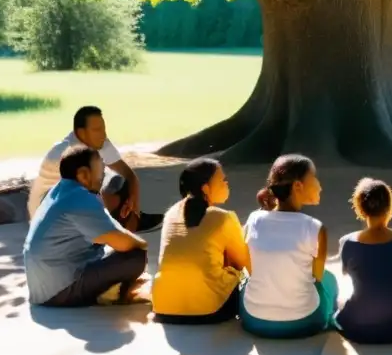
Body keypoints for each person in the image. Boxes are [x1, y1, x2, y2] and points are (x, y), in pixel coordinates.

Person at [23, 144, 148, 307]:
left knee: (112, 248)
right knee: (136, 256)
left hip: (42, 289)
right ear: (83, 175)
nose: (103, 175)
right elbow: (122, 242)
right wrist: (142, 245)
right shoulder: (80, 198)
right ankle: (110, 292)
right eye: (100, 170)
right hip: (61, 292)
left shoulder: (59, 191)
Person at [238, 155, 339, 339]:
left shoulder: (253, 220)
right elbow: (316, 277)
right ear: (298, 185)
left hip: (254, 320)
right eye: (314, 177)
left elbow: (251, 269)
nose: (320, 185)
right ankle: (328, 315)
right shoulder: (315, 228)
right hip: (305, 322)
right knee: (329, 280)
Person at [27, 105, 162, 232]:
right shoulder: (69, 152)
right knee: (111, 193)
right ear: (81, 133)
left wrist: (134, 200)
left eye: (103, 129)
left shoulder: (99, 142)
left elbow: (128, 174)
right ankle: (129, 224)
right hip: (48, 215)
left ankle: (132, 218)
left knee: (123, 186)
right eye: (97, 130)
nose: (103, 134)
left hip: (68, 204)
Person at [151, 159, 251, 325]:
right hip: (211, 310)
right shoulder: (224, 218)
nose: (227, 185)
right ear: (206, 188)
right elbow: (242, 263)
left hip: (163, 307)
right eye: (223, 181)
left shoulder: (170, 214)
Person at [334, 178, 392, 345]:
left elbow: (347, 272)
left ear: (361, 210)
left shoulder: (347, 242)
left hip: (360, 325)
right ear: (390, 207)